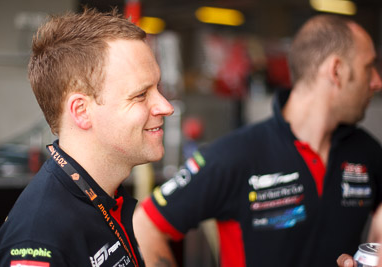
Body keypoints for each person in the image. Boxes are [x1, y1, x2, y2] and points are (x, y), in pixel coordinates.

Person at [133, 14, 382, 267]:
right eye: (368, 67)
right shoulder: (236, 154)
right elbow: (145, 225)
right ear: (336, 71)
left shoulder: (367, 152)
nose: (377, 81)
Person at [0, 7, 174, 267]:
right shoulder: (38, 244)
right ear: (81, 111)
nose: (166, 106)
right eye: (141, 94)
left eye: (158, 88)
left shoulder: (103, 199)